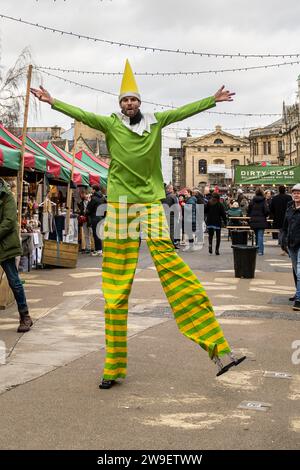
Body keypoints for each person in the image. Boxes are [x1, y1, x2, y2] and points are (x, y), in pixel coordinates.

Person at [31, 59, 245, 388]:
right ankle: (112, 367)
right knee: (115, 288)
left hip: (149, 203)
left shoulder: (156, 122)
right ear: (120, 104)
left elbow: (184, 111)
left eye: (133, 99)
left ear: (140, 102)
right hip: (118, 206)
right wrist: (53, 101)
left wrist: (211, 100)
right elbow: (82, 116)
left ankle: (218, 349)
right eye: (124, 100)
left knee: (173, 267)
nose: (129, 104)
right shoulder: (111, 124)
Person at [0, 178, 32, 332]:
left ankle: (25, 316)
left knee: (14, 280)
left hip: (5, 245)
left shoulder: (6, 195)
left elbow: (9, 221)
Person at [281, 183, 300, 311]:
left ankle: (299, 299)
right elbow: (285, 226)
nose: (296, 194)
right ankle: (297, 292)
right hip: (292, 243)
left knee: (299, 270)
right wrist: (283, 240)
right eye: (294, 192)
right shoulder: (290, 208)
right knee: (295, 270)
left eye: (299, 193)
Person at [247, 187, 269, 256]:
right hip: (262, 220)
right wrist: (265, 215)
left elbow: (248, 210)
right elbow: (267, 211)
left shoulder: (252, 201)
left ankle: (257, 249)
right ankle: (260, 251)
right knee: (260, 236)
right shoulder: (264, 201)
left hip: (253, 221)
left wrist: (251, 215)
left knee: (256, 236)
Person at [86, 184, 106, 256]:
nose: (91, 190)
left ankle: (99, 250)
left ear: (94, 190)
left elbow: (89, 209)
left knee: (96, 234)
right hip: (101, 217)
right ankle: (100, 250)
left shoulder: (93, 198)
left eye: (92, 189)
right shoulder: (103, 198)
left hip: (95, 217)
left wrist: (88, 202)